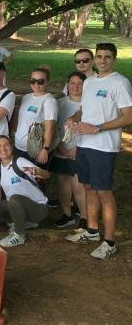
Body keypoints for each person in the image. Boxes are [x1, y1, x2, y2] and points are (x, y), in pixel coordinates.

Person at [66, 43, 132, 259]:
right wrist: (74, 118)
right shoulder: (91, 82)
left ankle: (109, 242)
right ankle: (92, 231)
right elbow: (86, 109)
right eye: (100, 56)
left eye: (108, 57)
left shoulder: (120, 83)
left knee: (104, 191)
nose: (103, 60)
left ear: (114, 59)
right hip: (84, 143)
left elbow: (128, 116)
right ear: (95, 59)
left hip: (104, 146)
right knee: (88, 187)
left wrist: (98, 128)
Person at [0, 135, 50, 248]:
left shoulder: (19, 161)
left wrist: (37, 171)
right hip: (18, 206)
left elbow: (47, 175)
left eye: (6, 145)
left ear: (12, 147)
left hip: (38, 209)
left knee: (14, 199)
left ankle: (19, 235)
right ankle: (25, 223)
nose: (3, 149)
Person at [52, 72, 86, 229]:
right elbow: (53, 127)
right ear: (67, 84)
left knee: (78, 185)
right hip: (60, 148)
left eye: (79, 83)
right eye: (72, 83)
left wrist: (76, 150)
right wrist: (59, 146)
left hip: (79, 151)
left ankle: (85, 217)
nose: (75, 87)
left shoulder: (89, 104)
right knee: (62, 183)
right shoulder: (58, 103)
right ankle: (67, 214)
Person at [13, 68, 57, 164]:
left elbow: (50, 128)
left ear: (47, 82)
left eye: (40, 81)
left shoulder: (49, 101)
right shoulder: (26, 97)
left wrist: (45, 149)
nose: (36, 84)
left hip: (34, 150)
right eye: (33, 80)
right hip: (18, 146)